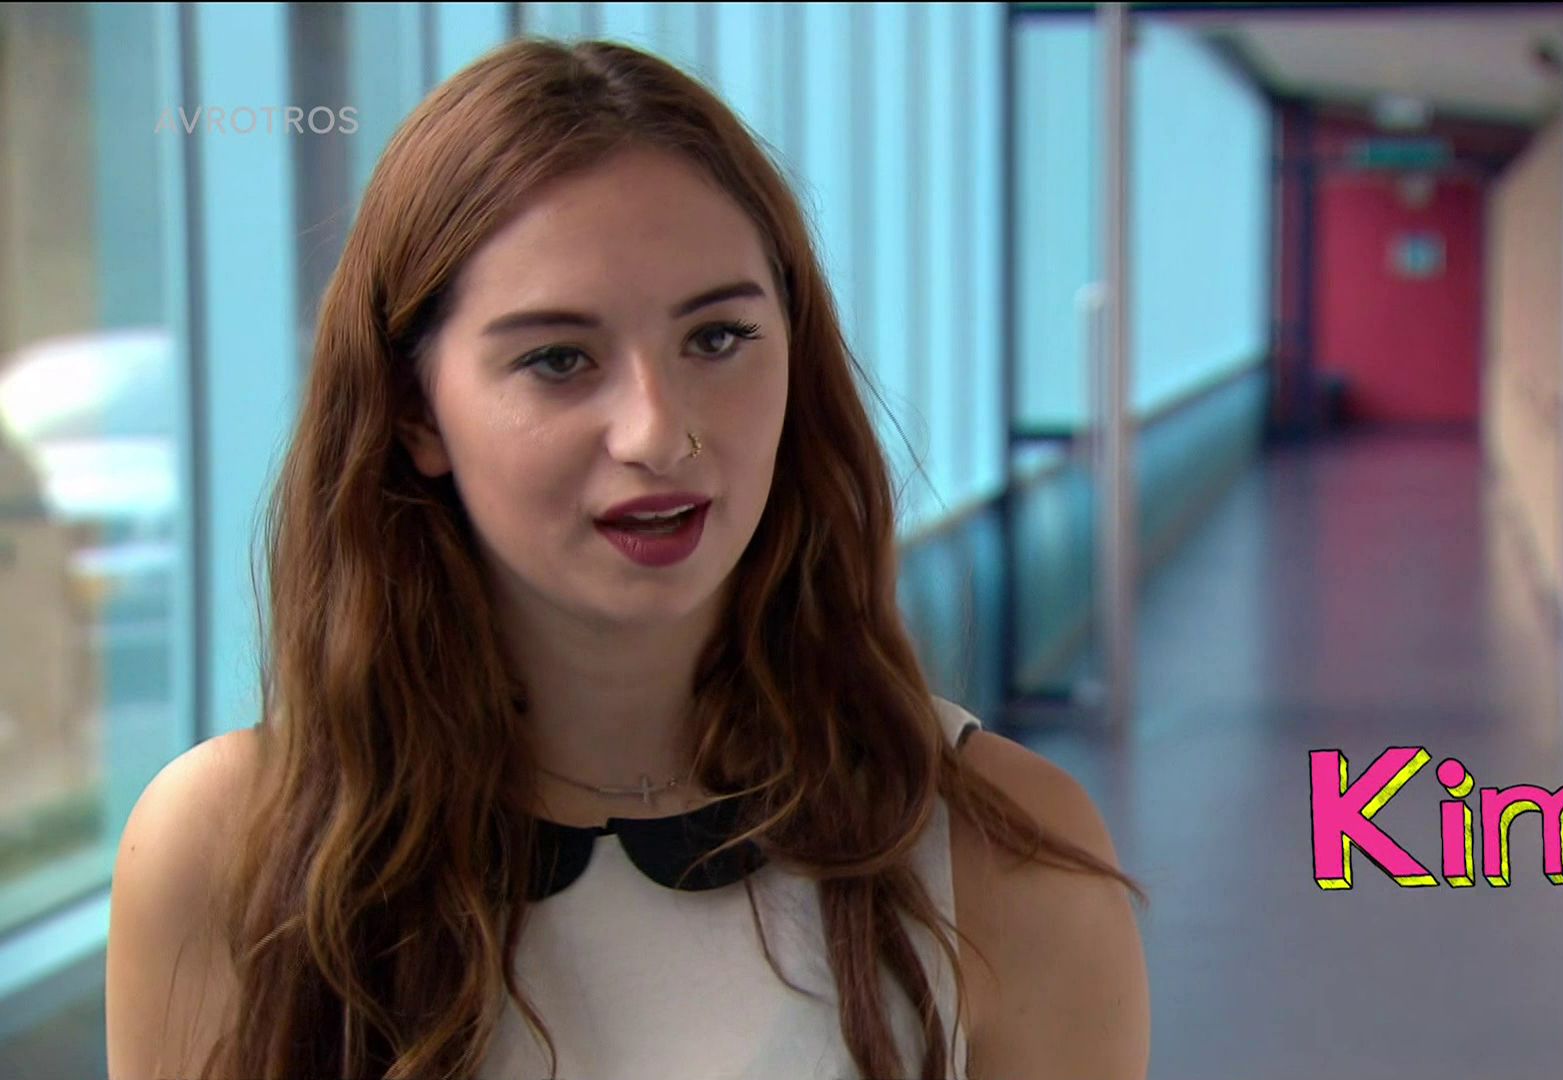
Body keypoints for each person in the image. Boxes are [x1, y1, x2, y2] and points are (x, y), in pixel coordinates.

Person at [103, 37, 1149, 1080]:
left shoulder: (1003, 854)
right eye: (558, 359)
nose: (658, 433)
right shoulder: (224, 855)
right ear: (416, 411)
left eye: (718, 338)